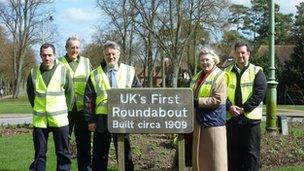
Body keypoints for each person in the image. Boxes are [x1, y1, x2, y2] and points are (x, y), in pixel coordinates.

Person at [84, 40, 142, 171]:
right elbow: (88, 99)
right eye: (107, 54)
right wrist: (90, 120)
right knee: (99, 155)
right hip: (101, 118)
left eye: (113, 54)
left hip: (123, 117)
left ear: (119, 54)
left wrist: (136, 117)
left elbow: (139, 94)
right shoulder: (94, 74)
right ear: (104, 55)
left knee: (124, 153)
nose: (111, 57)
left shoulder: (129, 71)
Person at [27, 43, 74, 171]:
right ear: (40, 55)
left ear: (54, 55)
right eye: (44, 55)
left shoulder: (64, 71)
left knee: (63, 153)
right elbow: (31, 95)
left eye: (49, 55)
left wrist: (65, 111)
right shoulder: (33, 73)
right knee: (40, 154)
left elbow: (70, 94)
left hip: (60, 120)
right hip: (40, 121)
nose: (47, 58)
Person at [225, 42, 267, 171]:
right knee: (233, 153)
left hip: (250, 120)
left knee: (251, 153)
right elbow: (221, 93)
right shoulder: (226, 72)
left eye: (243, 52)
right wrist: (229, 107)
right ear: (234, 54)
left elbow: (259, 93)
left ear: (248, 54)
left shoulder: (257, 71)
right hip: (232, 118)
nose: (240, 55)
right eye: (237, 52)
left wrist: (244, 109)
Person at [57, 36, 92, 171]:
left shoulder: (87, 62)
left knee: (84, 144)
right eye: (72, 47)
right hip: (64, 110)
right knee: (63, 144)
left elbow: (93, 83)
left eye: (77, 47)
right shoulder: (58, 62)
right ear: (66, 48)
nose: (75, 50)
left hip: (83, 110)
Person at [190, 48, 227, 171]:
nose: (204, 63)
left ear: (214, 60)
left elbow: (218, 99)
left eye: (207, 60)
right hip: (199, 122)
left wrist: (197, 102)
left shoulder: (220, 76)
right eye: (202, 60)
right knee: (200, 161)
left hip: (213, 123)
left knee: (216, 161)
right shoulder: (197, 76)